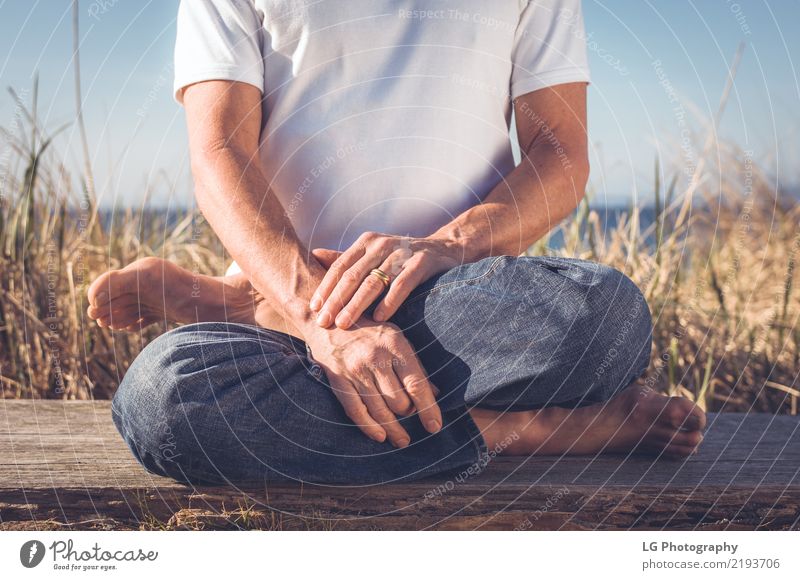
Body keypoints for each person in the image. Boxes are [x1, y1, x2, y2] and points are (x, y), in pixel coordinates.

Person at [89, 0, 705, 486]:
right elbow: (220, 149)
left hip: (454, 303)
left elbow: (560, 155)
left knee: (607, 321)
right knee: (166, 401)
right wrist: (317, 315)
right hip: (295, 301)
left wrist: (448, 245)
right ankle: (529, 429)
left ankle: (243, 303)